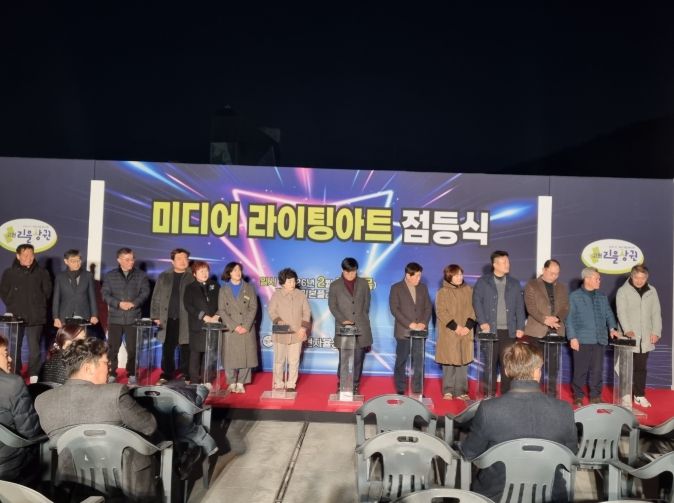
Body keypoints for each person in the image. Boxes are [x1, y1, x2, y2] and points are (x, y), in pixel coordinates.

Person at [34, 337, 159, 499]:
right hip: (127, 483)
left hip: (73, 483)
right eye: (106, 363)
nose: (110, 367)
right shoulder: (114, 394)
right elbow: (149, 426)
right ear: (88, 368)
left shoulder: (43, 401)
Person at [461, 342, 578, 502]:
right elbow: (571, 455)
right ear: (537, 371)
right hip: (551, 496)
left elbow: (469, 453)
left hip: (496, 496)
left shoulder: (489, 409)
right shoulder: (564, 409)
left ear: (507, 371)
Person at [472, 250, 525, 394]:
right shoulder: (483, 282)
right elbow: (477, 302)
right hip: (489, 331)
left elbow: (520, 306)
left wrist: (520, 326)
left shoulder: (514, 283)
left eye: (508, 261)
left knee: (507, 365)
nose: (507, 264)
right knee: (489, 365)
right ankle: (488, 395)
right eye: (504, 262)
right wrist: (482, 322)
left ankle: (506, 395)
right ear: (495, 264)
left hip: (509, 331)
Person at [567, 267, 619, 406]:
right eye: (597, 278)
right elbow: (569, 319)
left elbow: (608, 314)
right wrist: (572, 337)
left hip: (599, 339)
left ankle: (595, 396)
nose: (599, 281)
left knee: (597, 370)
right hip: (581, 340)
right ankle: (578, 396)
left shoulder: (602, 296)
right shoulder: (574, 296)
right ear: (587, 279)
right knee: (580, 370)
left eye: (599, 279)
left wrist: (612, 328)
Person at [0, 243, 52, 383]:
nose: (29, 258)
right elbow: (4, 292)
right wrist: (12, 304)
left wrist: (38, 303)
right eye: (25, 255)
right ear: (18, 256)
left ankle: (34, 375)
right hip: (15, 317)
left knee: (34, 348)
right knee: (14, 347)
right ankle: (15, 373)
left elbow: (47, 292)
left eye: (31, 255)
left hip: (36, 316)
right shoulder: (9, 273)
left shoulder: (42, 272)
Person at [101, 247, 150, 384]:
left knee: (133, 349)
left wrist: (134, 303)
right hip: (115, 318)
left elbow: (145, 292)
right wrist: (118, 304)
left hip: (133, 318)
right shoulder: (110, 275)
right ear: (119, 260)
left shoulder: (141, 275)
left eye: (132, 259)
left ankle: (132, 374)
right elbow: (105, 294)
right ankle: (112, 373)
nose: (131, 262)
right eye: (127, 259)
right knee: (112, 349)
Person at [616, 264, 662, 408]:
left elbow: (656, 312)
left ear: (646, 278)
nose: (639, 281)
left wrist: (656, 331)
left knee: (641, 368)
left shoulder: (652, 291)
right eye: (637, 277)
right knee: (625, 368)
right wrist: (627, 330)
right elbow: (621, 312)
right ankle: (625, 395)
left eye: (643, 278)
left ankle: (639, 395)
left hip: (644, 338)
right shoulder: (623, 291)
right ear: (632, 276)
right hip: (628, 337)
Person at [0, 334, 42, 483]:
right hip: (8, 464)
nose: (10, 359)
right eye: (6, 354)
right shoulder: (13, 384)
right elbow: (29, 432)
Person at [524, 259, 569, 396]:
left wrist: (557, 318)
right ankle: (533, 394)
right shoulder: (532, 285)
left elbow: (565, 306)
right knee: (534, 365)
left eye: (557, 274)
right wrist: (545, 319)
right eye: (551, 273)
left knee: (553, 367)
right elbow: (531, 307)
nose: (554, 276)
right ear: (544, 270)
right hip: (536, 332)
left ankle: (551, 395)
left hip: (556, 332)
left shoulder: (562, 287)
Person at [328, 257, 373, 394]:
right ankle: (342, 384)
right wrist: (343, 320)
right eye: (348, 272)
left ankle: (355, 385)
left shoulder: (364, 284)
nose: (351, 275)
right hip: (343, 328)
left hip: (361, 328)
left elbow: (366, 304)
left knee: (358, 358)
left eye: (354, 272)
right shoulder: (335, 285)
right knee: (344, 358)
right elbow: (332, 306)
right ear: (343, 270)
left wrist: (360, 318)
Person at [150, 248, 194, 384]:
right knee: (168, 348)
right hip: (167, 318)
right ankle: (167, 373)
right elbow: (156, 297)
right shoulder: (164, 276)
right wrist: (155, 316)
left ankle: (187, 373)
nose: (183, 261)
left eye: (185, 258)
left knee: (186, 347)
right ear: (172, 261)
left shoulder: (192, 276)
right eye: (179, 258)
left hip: (186, 318)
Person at [389, 262, 432, 395]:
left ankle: (417, 389)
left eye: (420, 275)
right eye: (417, 276)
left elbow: (428, 307)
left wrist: (423, 323)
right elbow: (395, 309)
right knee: (401, 360)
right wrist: (410, 324)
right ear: (408, 275)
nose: (419, 278)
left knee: (419, 362)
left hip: (420, 332)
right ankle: (401, 388)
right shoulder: (396, 288)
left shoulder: (423, 288)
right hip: (404, 332)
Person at [435, 264, 476, 400]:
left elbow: (474, 309)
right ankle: (448, 390)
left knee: (463, 363)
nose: (460, 277)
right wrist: (456, 327)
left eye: (461, 274)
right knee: (449, 362)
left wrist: (467, 327)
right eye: (456, 275)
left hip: (466, 332)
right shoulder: (442, 292)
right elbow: (441, 311)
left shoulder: (469, 290)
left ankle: (461, 391)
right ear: (449, 276)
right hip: (449, 332)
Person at [216, 262, 259, 393]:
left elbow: (253, 307)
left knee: (246, 355)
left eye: (239, 270)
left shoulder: (249, 288)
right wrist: (234, 326)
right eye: (234, 270)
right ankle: (231, 382)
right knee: (229, 356)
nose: (238, 272)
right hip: (230, 328)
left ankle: (241, 382)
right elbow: (221, 310)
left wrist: (245, 326)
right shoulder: (223, 289)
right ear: (229, 273)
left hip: (246, 326)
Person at [267, 267, 311, 391]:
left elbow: (307, 312)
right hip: (280, 331)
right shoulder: (277, 294)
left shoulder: (300, 294)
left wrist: (303, 328)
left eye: (294, 281)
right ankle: (279, 383)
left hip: (297, 332)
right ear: (283, 282)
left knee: (294, 360)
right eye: (289, 281)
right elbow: (271, 311)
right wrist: (278, 320)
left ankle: (291, 384)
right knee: (279, 360)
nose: (292, 283)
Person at [183, 261, 221, 386]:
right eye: (201, 271)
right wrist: (204, 316)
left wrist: (217, 315)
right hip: (197, 325)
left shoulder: (215, 285)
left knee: (210, 353)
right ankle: (194, 380)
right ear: (194, 274)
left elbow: (222, 303)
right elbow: (188, 306)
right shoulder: (190, 287)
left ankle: (207, 380)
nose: (205, 273)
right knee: (195, 353)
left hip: (213, 324)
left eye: (206, 270)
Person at [52, 249, 99, 330]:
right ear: (66, 261)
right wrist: (55, 317)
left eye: (78, 260)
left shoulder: (88, 275)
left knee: (81, 337)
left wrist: (94, 315)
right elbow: (56, 298)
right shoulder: (60, 277)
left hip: (83, 314)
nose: (77, 263)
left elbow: (92, 297)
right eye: (73, 261)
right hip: (65, 315)